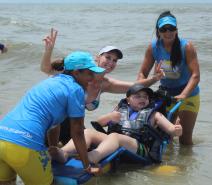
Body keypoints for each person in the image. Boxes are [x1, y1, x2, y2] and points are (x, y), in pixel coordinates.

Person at [41, 28, 165, 145]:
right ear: (97, 57)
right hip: (51, 122)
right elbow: (47, 69)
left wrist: (155, 78)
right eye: (108, 57)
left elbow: (135, 86)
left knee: (92, 147)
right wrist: (48, 51)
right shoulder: (79, 71)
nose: (111, 62)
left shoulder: (106, 84)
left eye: (115, 60)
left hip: (74, 126)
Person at [0, 51, 104, 185]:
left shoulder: (50, 81)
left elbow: (54, 123)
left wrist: (53, 148)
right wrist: (87, 166)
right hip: (25, 144)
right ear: (76, 72)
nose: (92, 77)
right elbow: (77, 131)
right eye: (90, 73)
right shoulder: (75, 89)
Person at [49, 84, 182, 164]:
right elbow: (98, 123)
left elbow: (171, 130)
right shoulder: (120, 109)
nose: (142, 99)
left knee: (114, 136)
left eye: (145, 97)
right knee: (87, 132)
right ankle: (63, 153)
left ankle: (94, 156)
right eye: (138, 96)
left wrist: (177, 130)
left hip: (141, 148)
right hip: (116, 142)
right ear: (128, 100)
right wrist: (109, 116)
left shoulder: (154, 114)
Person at [137, 11, 200, 145]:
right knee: (165, 137)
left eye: (171, 28)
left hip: (188, 94)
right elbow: (142, 72)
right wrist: (139, 90)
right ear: (158, 31)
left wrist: (183, 94)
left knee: (184, 139)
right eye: (164, 29)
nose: (168, 32)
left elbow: (196, 76)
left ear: (176, 30)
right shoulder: (153, 47)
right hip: (166, 94)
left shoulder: (186, 47)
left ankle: (187, 165)